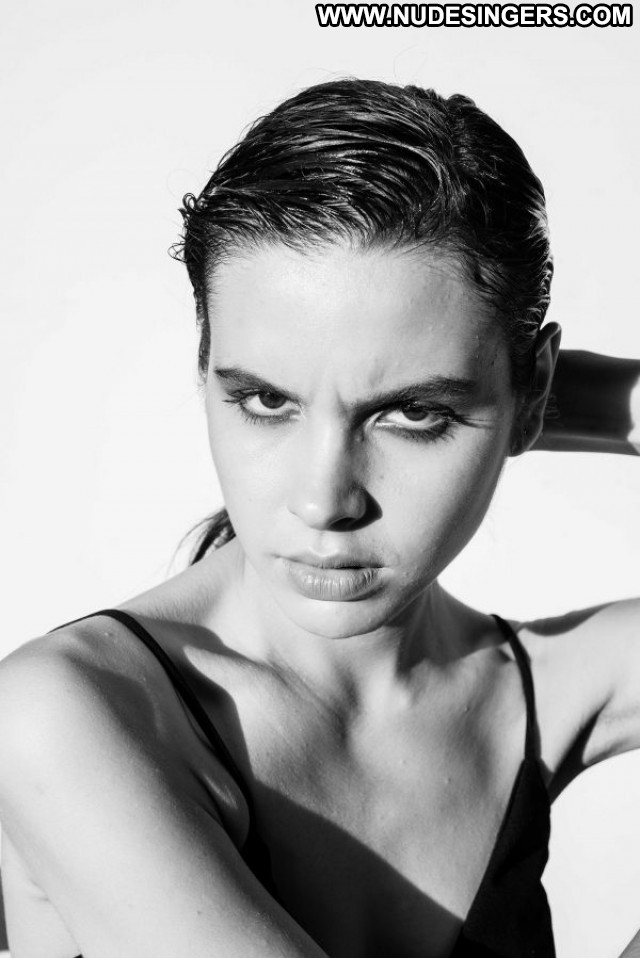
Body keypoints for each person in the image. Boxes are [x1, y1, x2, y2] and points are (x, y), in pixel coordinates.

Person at [0, 77, 638, 958]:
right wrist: (493, 396)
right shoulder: (75, 712)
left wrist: (581, 402)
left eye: (415, 412)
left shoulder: (545, 685)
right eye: (267, 400)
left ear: (532, 393)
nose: (323, 501)